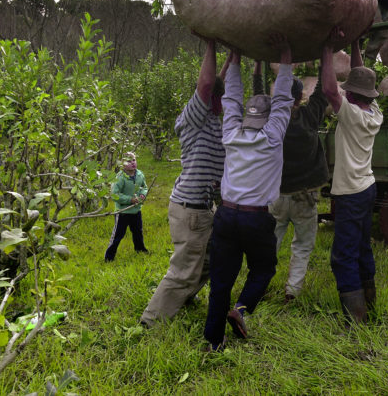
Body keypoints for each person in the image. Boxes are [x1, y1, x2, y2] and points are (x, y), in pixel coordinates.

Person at [203, 34, 294, 352]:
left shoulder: (231, 132)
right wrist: (285, 59)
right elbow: (282, 100)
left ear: (247, 116)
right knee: (264, 267)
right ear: (268, 120)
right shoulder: (272, 136)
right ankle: (240, 309)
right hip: (256, 219)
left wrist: (236, 58)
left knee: (221, 278)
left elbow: (230, 98)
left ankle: (213, 342)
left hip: (226, 215)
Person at [140, 39, 228, 327]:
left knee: (210, 261)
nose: (220, 96)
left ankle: (184, 297)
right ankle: (150, 322)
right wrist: (212, 45)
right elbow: (206, 85)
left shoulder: (215, 119)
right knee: (184, 270)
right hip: (191, 209)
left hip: (202, 209)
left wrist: (235, 56)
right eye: (218, 93)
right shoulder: (193, 117)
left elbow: (216, 84)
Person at [321, 32, 383, 324]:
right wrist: (356, 45)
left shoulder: (351, 116)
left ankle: (356, 318)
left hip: (350, 193)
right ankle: (369, 300)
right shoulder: (374, 113)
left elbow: (331, 90)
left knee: (342, 256)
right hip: (367, 187)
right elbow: (358, 79)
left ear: (352, 94)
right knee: (361, 246)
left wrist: (327, 48)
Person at [267, 67, 329, 303]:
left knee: (270, 243)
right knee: (302, 246)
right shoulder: (310, 116)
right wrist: (326, 54)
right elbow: (323, 91)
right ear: (301, 97)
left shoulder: (273, 123)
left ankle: (259, 282)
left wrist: (257, 71)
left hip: (278, 196)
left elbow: (258, 93)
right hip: (305, 197)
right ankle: (292, 291)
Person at [104, 152, 149, 262]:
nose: (132, 163)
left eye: (133, 160)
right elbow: (115, 195)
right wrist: (129, 199)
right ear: (122, 164)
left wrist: (143, 194)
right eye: (128, 161)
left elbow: (144, 187)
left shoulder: (139, 174)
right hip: (122, 213)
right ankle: (109, 257)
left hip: (136, 211)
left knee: (138, 232)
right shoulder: (120, 177)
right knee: (118, 235)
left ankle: (140, 250)